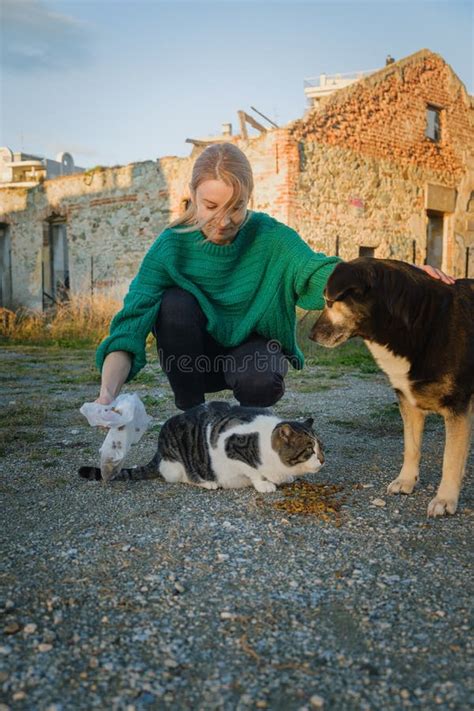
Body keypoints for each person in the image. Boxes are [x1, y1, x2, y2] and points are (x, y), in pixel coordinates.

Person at [95, 142, 453, 410]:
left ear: (250, 197)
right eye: (211, 206)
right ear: (192, 197)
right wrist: (107, 393)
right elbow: (128, 328)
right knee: (174, 303)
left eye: (236, 207)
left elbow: (323, 272)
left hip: (251, 357)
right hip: (193, 363)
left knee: (259, 379)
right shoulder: (170, 248)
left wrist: (407, 276)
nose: (224, 220)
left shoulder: (271, 238)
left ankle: (248, 425)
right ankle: (194, 417)